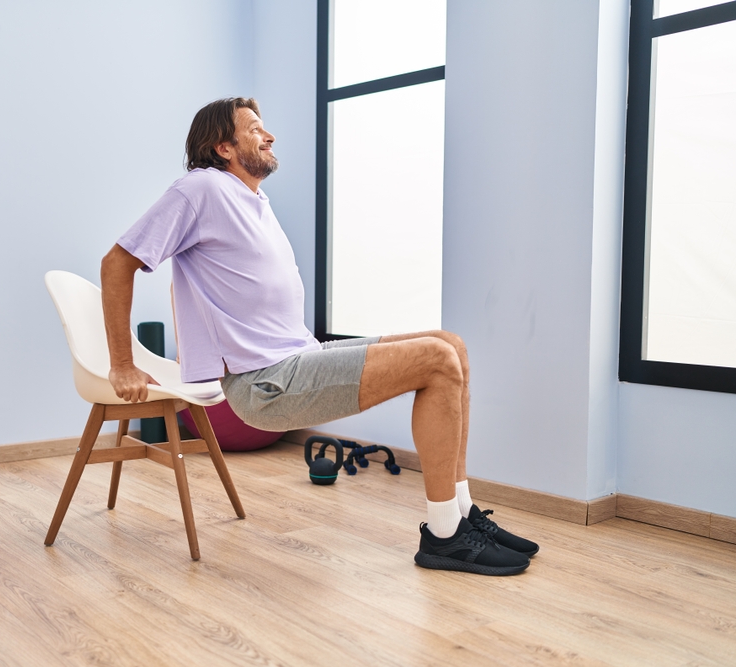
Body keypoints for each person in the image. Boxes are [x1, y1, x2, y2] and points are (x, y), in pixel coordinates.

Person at [100, 97, 538, 576]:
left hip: (298, 359)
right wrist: (122, 363)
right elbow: (117, 262)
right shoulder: (200, 189)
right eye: (255, 130)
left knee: (450, 345)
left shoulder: (254, 202)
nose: (268, 137)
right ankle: (444, 537)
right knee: (435, 360)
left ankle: (460, 514)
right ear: (222, 147)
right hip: (265, 383)